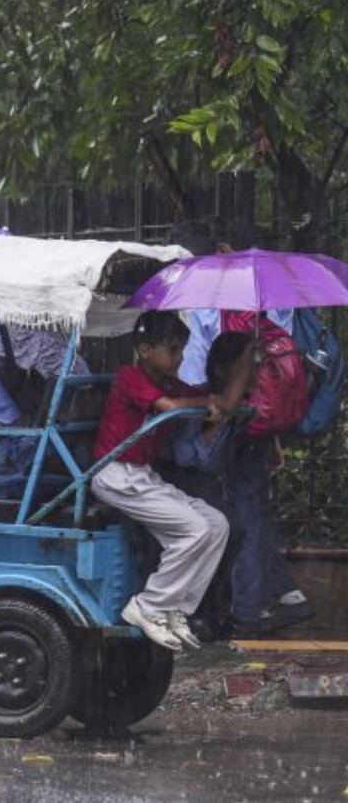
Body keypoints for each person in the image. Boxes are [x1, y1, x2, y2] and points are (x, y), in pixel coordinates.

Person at [173, 218, 312, 635]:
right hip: (259, 413)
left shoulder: (204, 298)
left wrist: (200, 412)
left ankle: (247, 613)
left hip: (223, 412)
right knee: (249, 505)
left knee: (236, 511)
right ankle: (283, 595)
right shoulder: (276, 296)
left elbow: (197, 362)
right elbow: (280, 366)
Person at [90, 310, 247, 650]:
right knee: (195, 530)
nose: (179, 358)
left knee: (217, 525)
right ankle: (148, 606)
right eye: (173, 350)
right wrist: (210, 404)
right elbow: (169, 405)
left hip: (141, 476)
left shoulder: (168, 381)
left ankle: (176, 608)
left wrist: (234, 384)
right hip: (116, 474)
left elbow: (196, 395)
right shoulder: (129, 376)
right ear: (146, 349)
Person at [160, 330, 257, 641]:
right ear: (221, 370)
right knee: (220, 528)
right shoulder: (200, 402)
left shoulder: (242, 406)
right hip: (179, 481)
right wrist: (216, 424)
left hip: (209, 486)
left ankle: (214, 610)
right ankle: (196, 612)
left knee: (236, 528)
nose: (253, 373)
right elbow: (188, 457)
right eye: (246, 366)